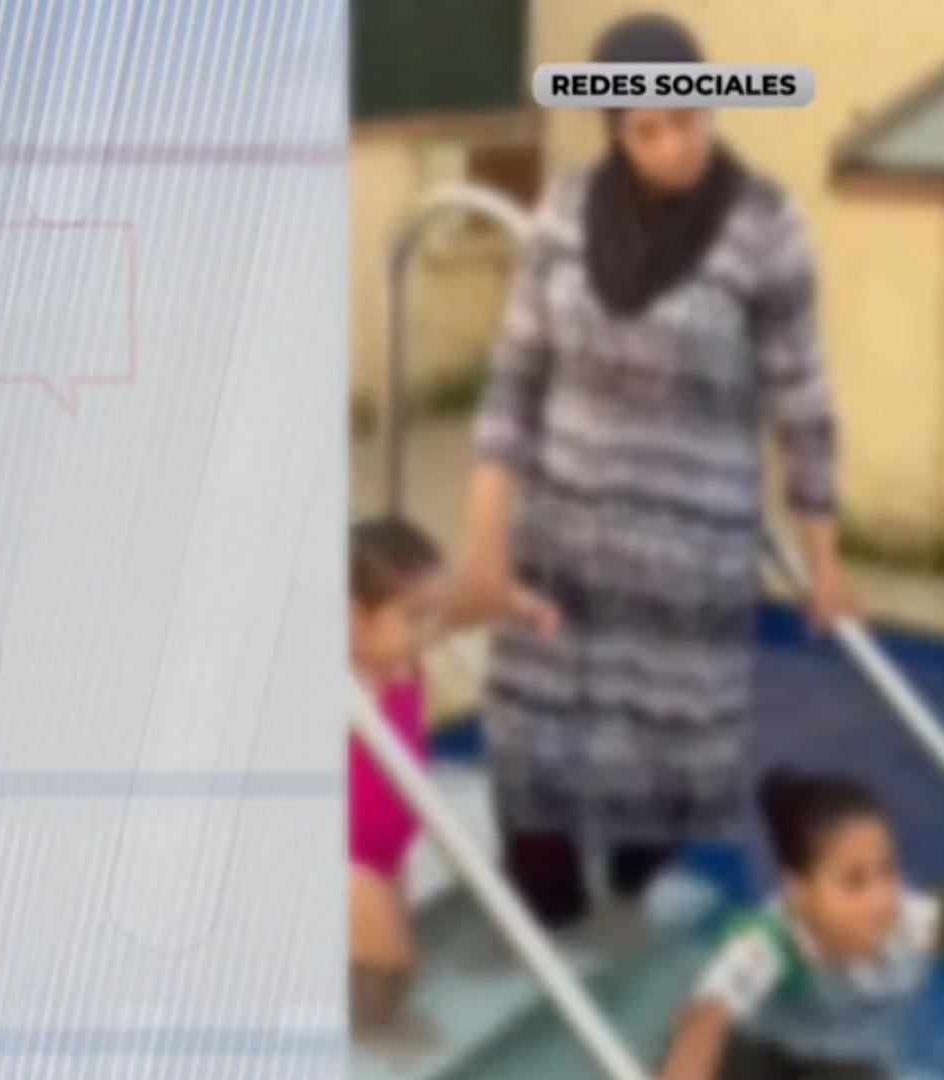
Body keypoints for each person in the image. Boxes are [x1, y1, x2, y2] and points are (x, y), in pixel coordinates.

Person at [451, 11, 858, 939]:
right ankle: (553, 931)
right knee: (532, 752)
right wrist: (484, 543)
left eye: (692, 117)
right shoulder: (561, 212)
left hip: (689, 561)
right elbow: (514, 378)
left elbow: (802, 394)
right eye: (648, 127)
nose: (677, 143)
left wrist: (823, 556)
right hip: (562, 546)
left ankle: (625, 907)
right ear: (612, 130)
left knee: (663, 770)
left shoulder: (764, 224)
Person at [346, 516, 552, 1051]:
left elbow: (461, 611)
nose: (429, 631)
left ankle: (365, 1022)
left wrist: (516, 601)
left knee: (398, 963)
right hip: (349, 859)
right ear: (351, 623)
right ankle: (373, 1043)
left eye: (431, 615)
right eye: (414, 617)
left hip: (388, 849)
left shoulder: (404, 659)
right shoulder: (347, 682)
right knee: (391, 964)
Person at [657, 768, 944, 1080]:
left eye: (888, 871)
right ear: (798, 895)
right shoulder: (772, 942)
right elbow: (705, 1020)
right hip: (757, 1049)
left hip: (848, 1063)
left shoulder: (920, 924)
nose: (880, 901)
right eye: (854, 883)